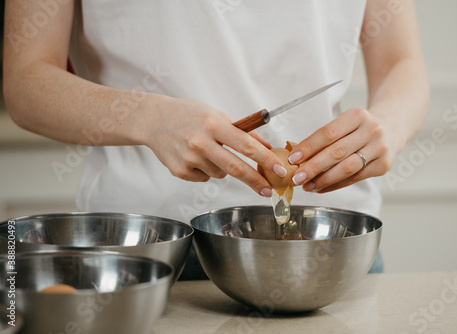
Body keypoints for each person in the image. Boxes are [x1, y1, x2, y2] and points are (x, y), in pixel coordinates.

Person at [3, 0, 429, 278]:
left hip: (328, 250)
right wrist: (147, 117)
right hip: (142, 252)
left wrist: (388, 125)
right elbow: (24, 84)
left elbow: (401, 60)